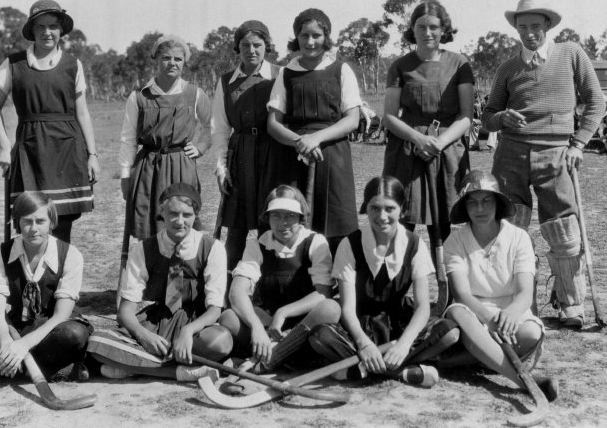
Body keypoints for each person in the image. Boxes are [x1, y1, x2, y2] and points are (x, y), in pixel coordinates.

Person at [481, 0, 605, 328]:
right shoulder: (507, 68)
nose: (530, 33)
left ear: (548, 25)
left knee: (564, 229)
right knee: (508, 227)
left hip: (556, 153)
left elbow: (596, 102)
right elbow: (487, 117)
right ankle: (516, 301)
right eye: (523, 27)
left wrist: (578, 144)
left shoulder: (571, 54)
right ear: (516, 28)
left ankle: (570, 303)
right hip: (511, 154)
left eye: (536, 26)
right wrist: (502, 117)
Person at [308, 176, 460, 388]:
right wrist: (364, 344)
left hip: (399, 323)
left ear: (402, 210)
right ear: (366, 208)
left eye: (390, 208)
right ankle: (400, 372)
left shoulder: (414, 244)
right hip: (359, 324)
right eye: (375, 208)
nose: (382, 216)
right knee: (320, 336)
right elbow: (348, 307)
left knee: (449, 332)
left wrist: (404, 344)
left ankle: (358, 369)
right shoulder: (350, 244)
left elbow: (423, 306)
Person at [86, 183, 232, 381]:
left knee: (221, 341)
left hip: (196, 322)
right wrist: (143, 335)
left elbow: (215, 309)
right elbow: (125, 310)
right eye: (173, 213)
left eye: (187, 215)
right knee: (97, 341)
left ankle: (133, 364)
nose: (180, 221)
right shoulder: (143, 249)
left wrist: (188, 331)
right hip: (156, 322)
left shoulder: (212, 248)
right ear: (162, 212)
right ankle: (179, 372)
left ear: (195, 215)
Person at [0, 0, 99, 244]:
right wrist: (5, 146)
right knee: (30, 220)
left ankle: (59, 269)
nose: (47, 32)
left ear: (61, 30)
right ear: (32, 30)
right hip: (29, 150)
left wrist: (92, 155)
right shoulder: (13, 64)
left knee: (62, 221)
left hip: (67, 149)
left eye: (53, 26)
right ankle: (32, 270)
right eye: (41, 27)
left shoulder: (73, 64)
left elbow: (82, 113)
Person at [441, 170, 557, 401]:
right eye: (472, 202)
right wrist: (490, 320)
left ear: (497, 203)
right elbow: (462, 295)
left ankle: (460, 359)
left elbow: (525, 293)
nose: (480, 208)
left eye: (486, 200)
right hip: (473, 312)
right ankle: (523, 381)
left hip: (511, 310)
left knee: (531, 333)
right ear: (464, 207)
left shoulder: (519, 237)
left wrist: (510, 315)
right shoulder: (454, 241)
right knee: (458, 313)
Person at [0, 192, 92, 381]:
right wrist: (7, 344)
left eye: (40, 221)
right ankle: (54, 370)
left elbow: (61, 315)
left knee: (74, 334)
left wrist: (23, 346)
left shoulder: (70, 255)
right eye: (27, 221)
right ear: (17, 222)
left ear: (51, 222)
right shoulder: (2, 253)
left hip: (52, 330)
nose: (33, 229)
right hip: (16, 330)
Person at [382, 0, 473, 255]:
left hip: (447, 149)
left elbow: (466, 115)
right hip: (407, 149)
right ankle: (399, 277)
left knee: (442, 224)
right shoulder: (400, 66)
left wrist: (438, 143)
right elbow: (389, 116)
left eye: (433, 27)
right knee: (402, 219)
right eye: (421, 27)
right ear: (412, 29)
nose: (427, 33)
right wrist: (419, 140)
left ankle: (444, 278)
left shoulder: (459, 63)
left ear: (444, 29)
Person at [267, 8, 361, 253]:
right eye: (304, 35)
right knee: (295, 221)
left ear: (326, 37)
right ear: (296, 37)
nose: (310, 42)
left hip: (332, 156)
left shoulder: (341, 69)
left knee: (336, 224)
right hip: (294, 155)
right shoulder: (286, 73)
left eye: (316, 35)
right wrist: (301, 142)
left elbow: (352, 119)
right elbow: (273, 124)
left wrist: (316, 138)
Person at [218, 185, 339, 372]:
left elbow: (323, 293)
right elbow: (236, 293)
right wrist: (257, 327)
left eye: (290, 216)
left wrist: (283, 313)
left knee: (330, 308)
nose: (283, 223)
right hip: (267, 323)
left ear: (300, 217)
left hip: (302, 323)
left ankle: (267, 359)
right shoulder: (257, 244)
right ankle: (277, 353)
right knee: (229, 318)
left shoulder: (315, 242)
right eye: (276, 215)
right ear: (267, 217)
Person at [119, 35, 212, 240]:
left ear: (184, 62)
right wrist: (125, 176)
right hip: (148, 168)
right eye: (166, 58)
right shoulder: (139, 97)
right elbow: (128, 139)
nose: (172, 63)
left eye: (178, 59)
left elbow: (210, 127)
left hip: (182, 166)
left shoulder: (195, 94)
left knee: (182, 222)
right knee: (148, 225)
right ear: (156, 60)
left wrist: (200, 147)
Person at [211, 21, 281, 270]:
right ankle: (228, 281)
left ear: (266, 46)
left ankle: (270, 278)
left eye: (257, 45)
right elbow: (220, 128)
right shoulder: (226, 82)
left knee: (272, 219)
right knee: (236, 226)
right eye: (245, 45)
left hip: (273, 153)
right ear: (237, 47)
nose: (251, 51)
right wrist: (221, 167)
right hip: (240, 156)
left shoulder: (280, 75)